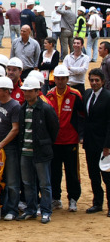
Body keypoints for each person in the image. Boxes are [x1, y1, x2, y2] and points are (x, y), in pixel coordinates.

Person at [18, 77, 59, 224]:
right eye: (25, 91)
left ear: (37, 92)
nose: (26, 94)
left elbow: (54, 129)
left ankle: (46, 211)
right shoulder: (23, 108)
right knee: (28, 183)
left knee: (44, 184)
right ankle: (31, 210)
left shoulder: (46, 108)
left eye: (30, 91)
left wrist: (45, 143)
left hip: (41, 152)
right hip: (25, 151)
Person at [45, 65, 82, 212]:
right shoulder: (49, 95)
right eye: (58, 78)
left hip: (71, 139)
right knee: (55, 171)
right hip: (54, 141)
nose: (60, 81)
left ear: (67, 79)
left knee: (72, 171)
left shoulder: (75, 95)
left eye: (63, 78)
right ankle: (56, 198)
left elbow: (82, 116)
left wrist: (80, 134)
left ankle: (73, 199)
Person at [0, 76, 22, 220]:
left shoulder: (15, 106)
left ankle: (12, 210)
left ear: (5, 90)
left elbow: (15, 129)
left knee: (12, 181)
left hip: (9, 149)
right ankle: (1, 207)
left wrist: (2, 143)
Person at [82, 68, 110, 215]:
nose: (94, 83)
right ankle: (97, 203)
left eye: (97, 80)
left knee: (107, 177)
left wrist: (107, 146)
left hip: (103, 144)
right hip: (90, 142)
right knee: (93, 175)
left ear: (103, 82)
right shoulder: (87, 94)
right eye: (92, 80)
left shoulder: (108, 97)